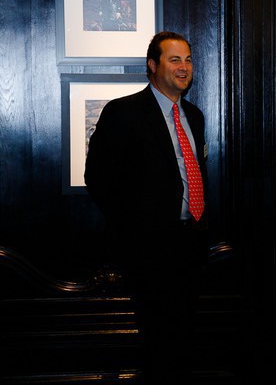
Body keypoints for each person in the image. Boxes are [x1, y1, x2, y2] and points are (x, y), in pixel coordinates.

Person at [84, 31, 209, 384]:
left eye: (188, 60)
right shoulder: (123, 112)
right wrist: (136, 229)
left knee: (185, 342)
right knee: (157, 345)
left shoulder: (194, 115)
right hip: (149, 252)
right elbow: (98, 178)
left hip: (191, 246)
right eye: (175, 59)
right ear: (152, 65)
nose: (184, 67)